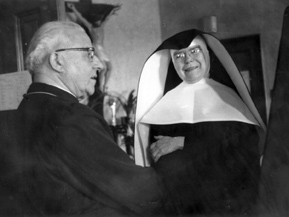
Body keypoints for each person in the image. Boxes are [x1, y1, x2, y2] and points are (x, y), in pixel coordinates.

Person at [14, 21, 173, 217]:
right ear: (57, 61)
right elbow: (142, 194)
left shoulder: (25, 108)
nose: (99, 64)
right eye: (89, 53)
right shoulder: (72, 118)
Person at [134, 29, 266, 216]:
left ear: (207, 54)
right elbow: (162, 161)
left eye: (194, 51)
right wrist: (210, 152)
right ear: (173, 62)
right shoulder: (162, 108)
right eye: (180, 55)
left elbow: (243, 156)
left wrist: (181, 143)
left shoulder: (230, 100)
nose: (188, 60)